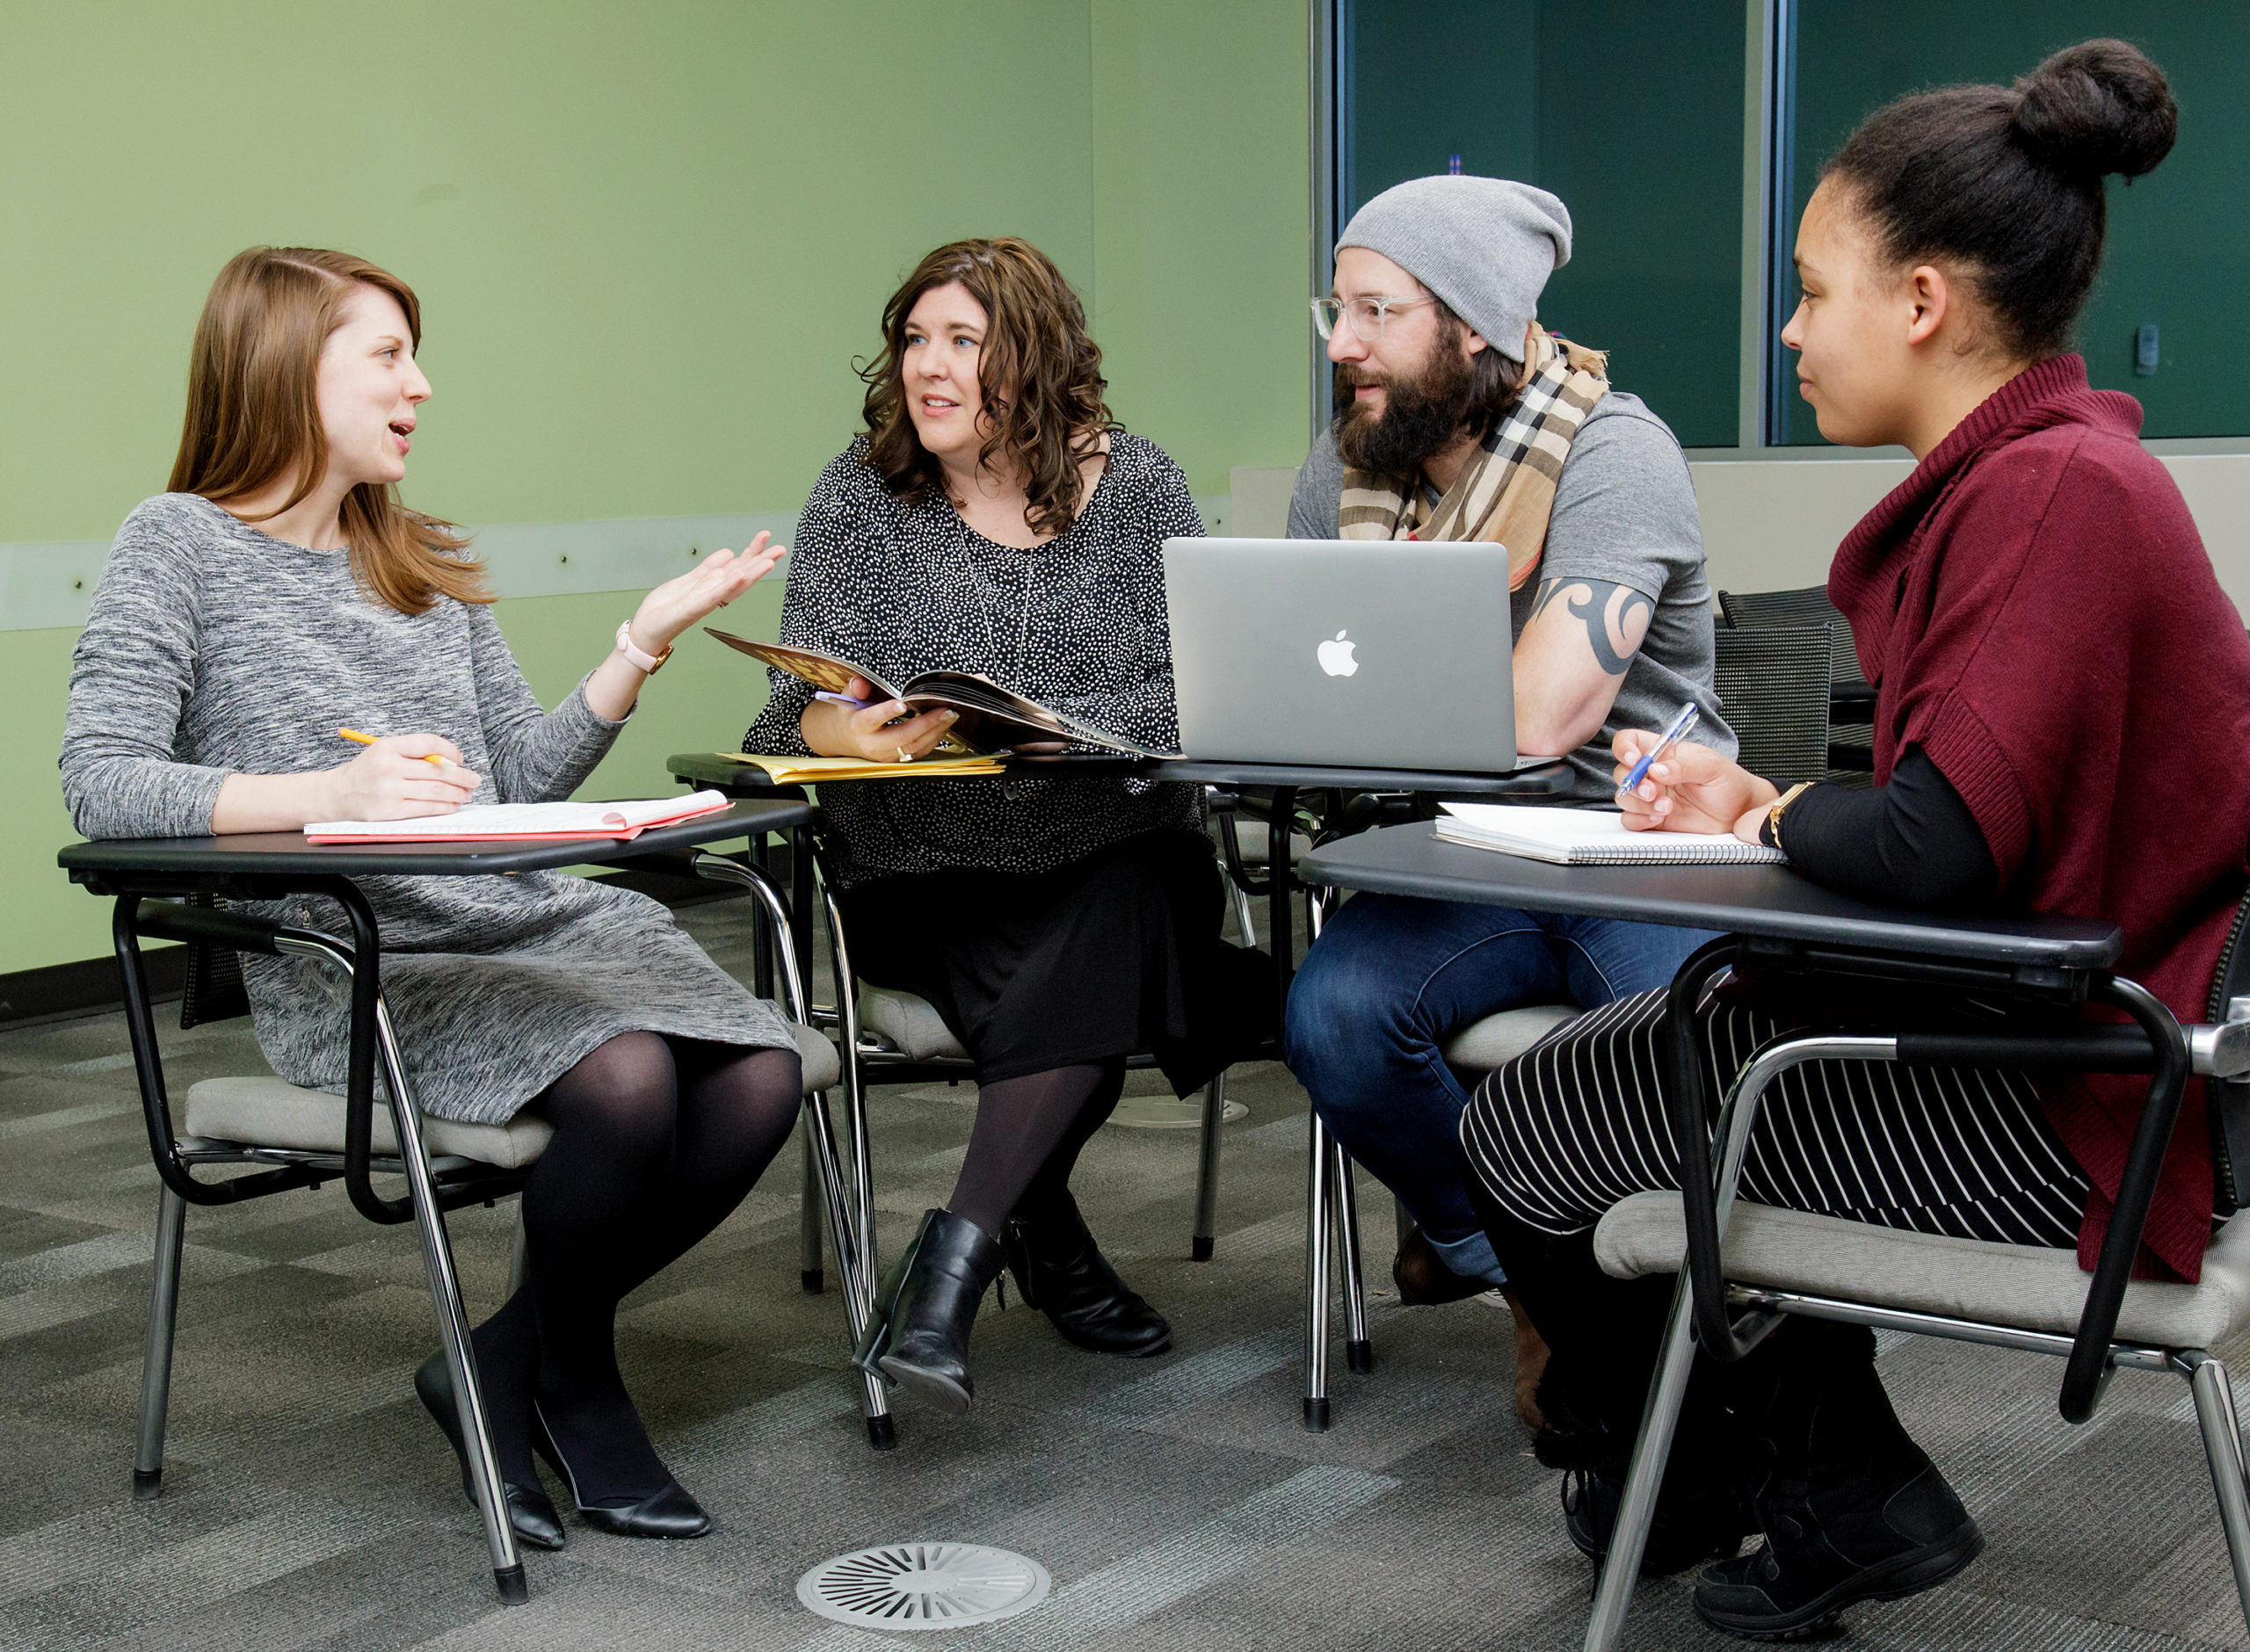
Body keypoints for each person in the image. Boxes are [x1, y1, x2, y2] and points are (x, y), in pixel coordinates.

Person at [1457, 40, 2246, 1641]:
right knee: (1641, 1075)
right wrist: (1763, 810)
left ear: (1926, 302)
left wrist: (1787, 814)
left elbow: (1934, 850)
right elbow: (1953, 822)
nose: (1790, 327)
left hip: (2093, 1109)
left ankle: (1739, 1485)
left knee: (1541, 1121)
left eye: (1815, 292)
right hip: (2097, 1046)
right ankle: (1802, 1484)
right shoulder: (2050, 474)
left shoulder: (2051, 494)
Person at [60, 247, 798, 1549]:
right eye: (389, 356)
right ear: (289, 366)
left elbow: (511, 775)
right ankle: (571, 1382)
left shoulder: (416, 554)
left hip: (521, 922)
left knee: (760, 1075)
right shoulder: (176, 544)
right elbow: (103, 781)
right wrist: (321, 797)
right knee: (625, 1078)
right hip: (357, 965)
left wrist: (638, 646)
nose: (423, 385)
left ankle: (509, 1361)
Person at [741, 236, 1268, 1415]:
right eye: (915, 341)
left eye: (962, 343)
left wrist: (1058, 729)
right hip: (920, 870)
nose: (928, 368)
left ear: (1029, 361)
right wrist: (846, 734)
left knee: (1123, 910)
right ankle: (1042, 1238)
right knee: (1091, 981)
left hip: (1114, 847)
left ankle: (953, 1265)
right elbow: (791, 704)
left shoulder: (1139, 489)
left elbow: (1196, 684)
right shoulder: (861, 492)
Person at [1279, 175, 1735, 1382]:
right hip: (1459, 857)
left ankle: (1568, 1280)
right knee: (1332, 1015)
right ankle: (1511, 1262)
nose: (1344, 344)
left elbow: (1545, 713)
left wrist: (1346, 720)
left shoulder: (1613, 453)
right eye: (1335, 310)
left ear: (1470, 324)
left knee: (1682, 1050)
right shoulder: (1346, 475)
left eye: (1376, 313)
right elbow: (1296, 685)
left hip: (1632, 849)